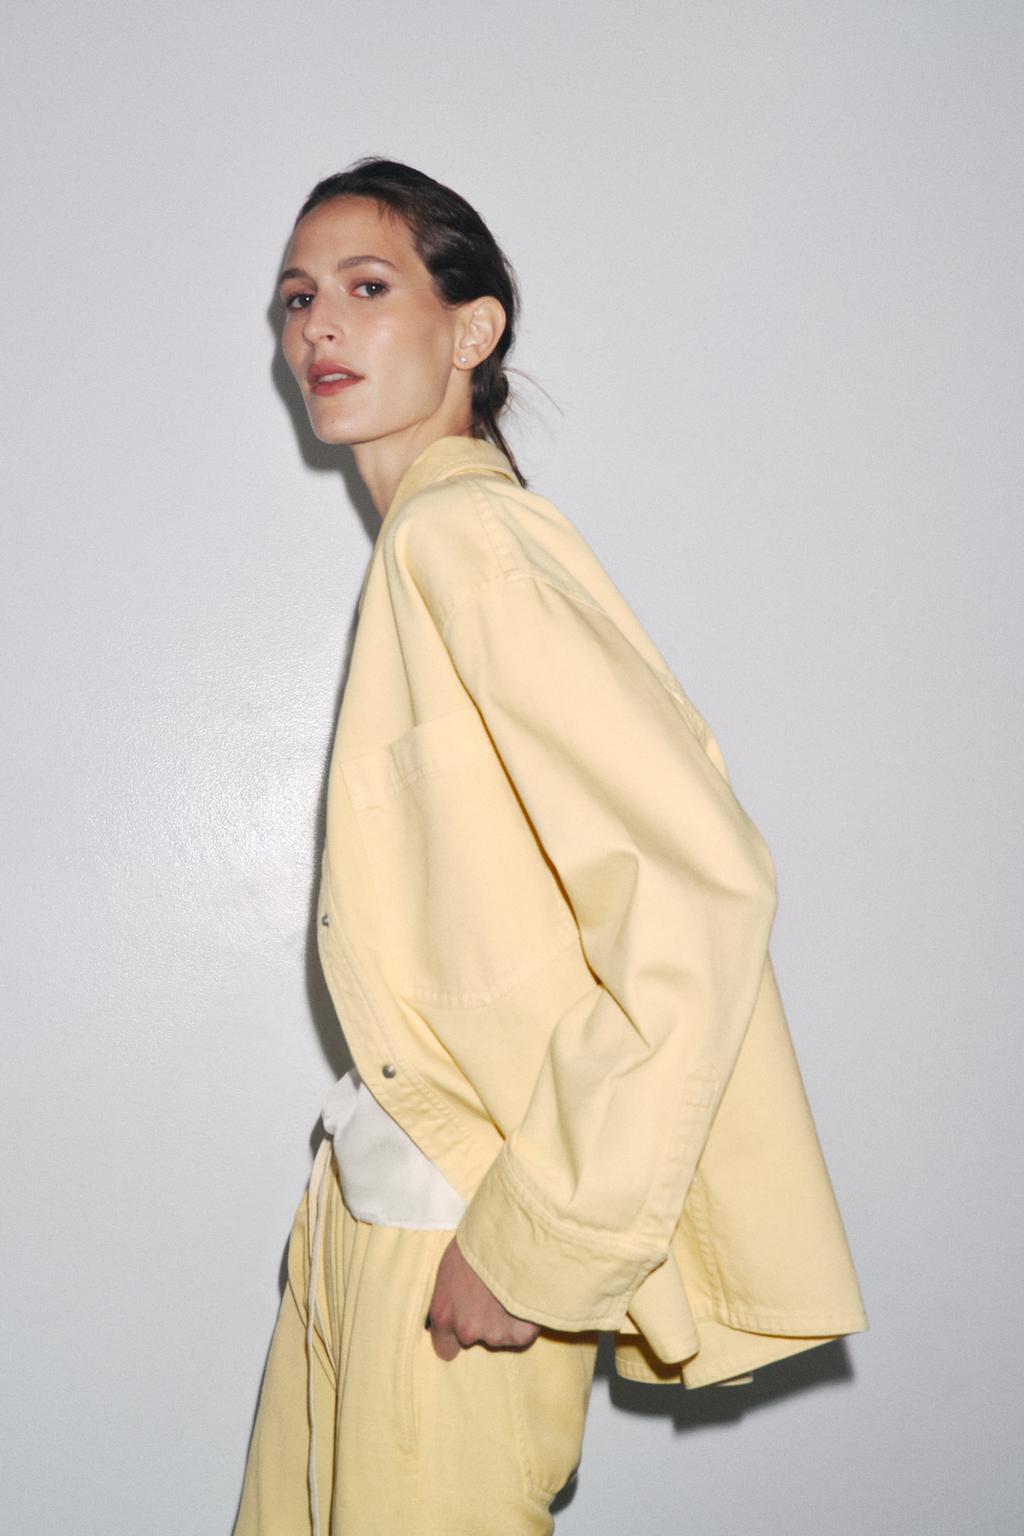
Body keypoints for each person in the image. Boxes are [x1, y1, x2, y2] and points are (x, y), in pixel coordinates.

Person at [232, 157, 868, 1536]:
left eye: (367, 286)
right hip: (367, 1202)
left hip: (449, 1229)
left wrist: (540, 1237)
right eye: (296, 298)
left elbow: (694, 882)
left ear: (474, 329)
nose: (318, 325)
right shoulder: (427, 547)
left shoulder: (466, 538)